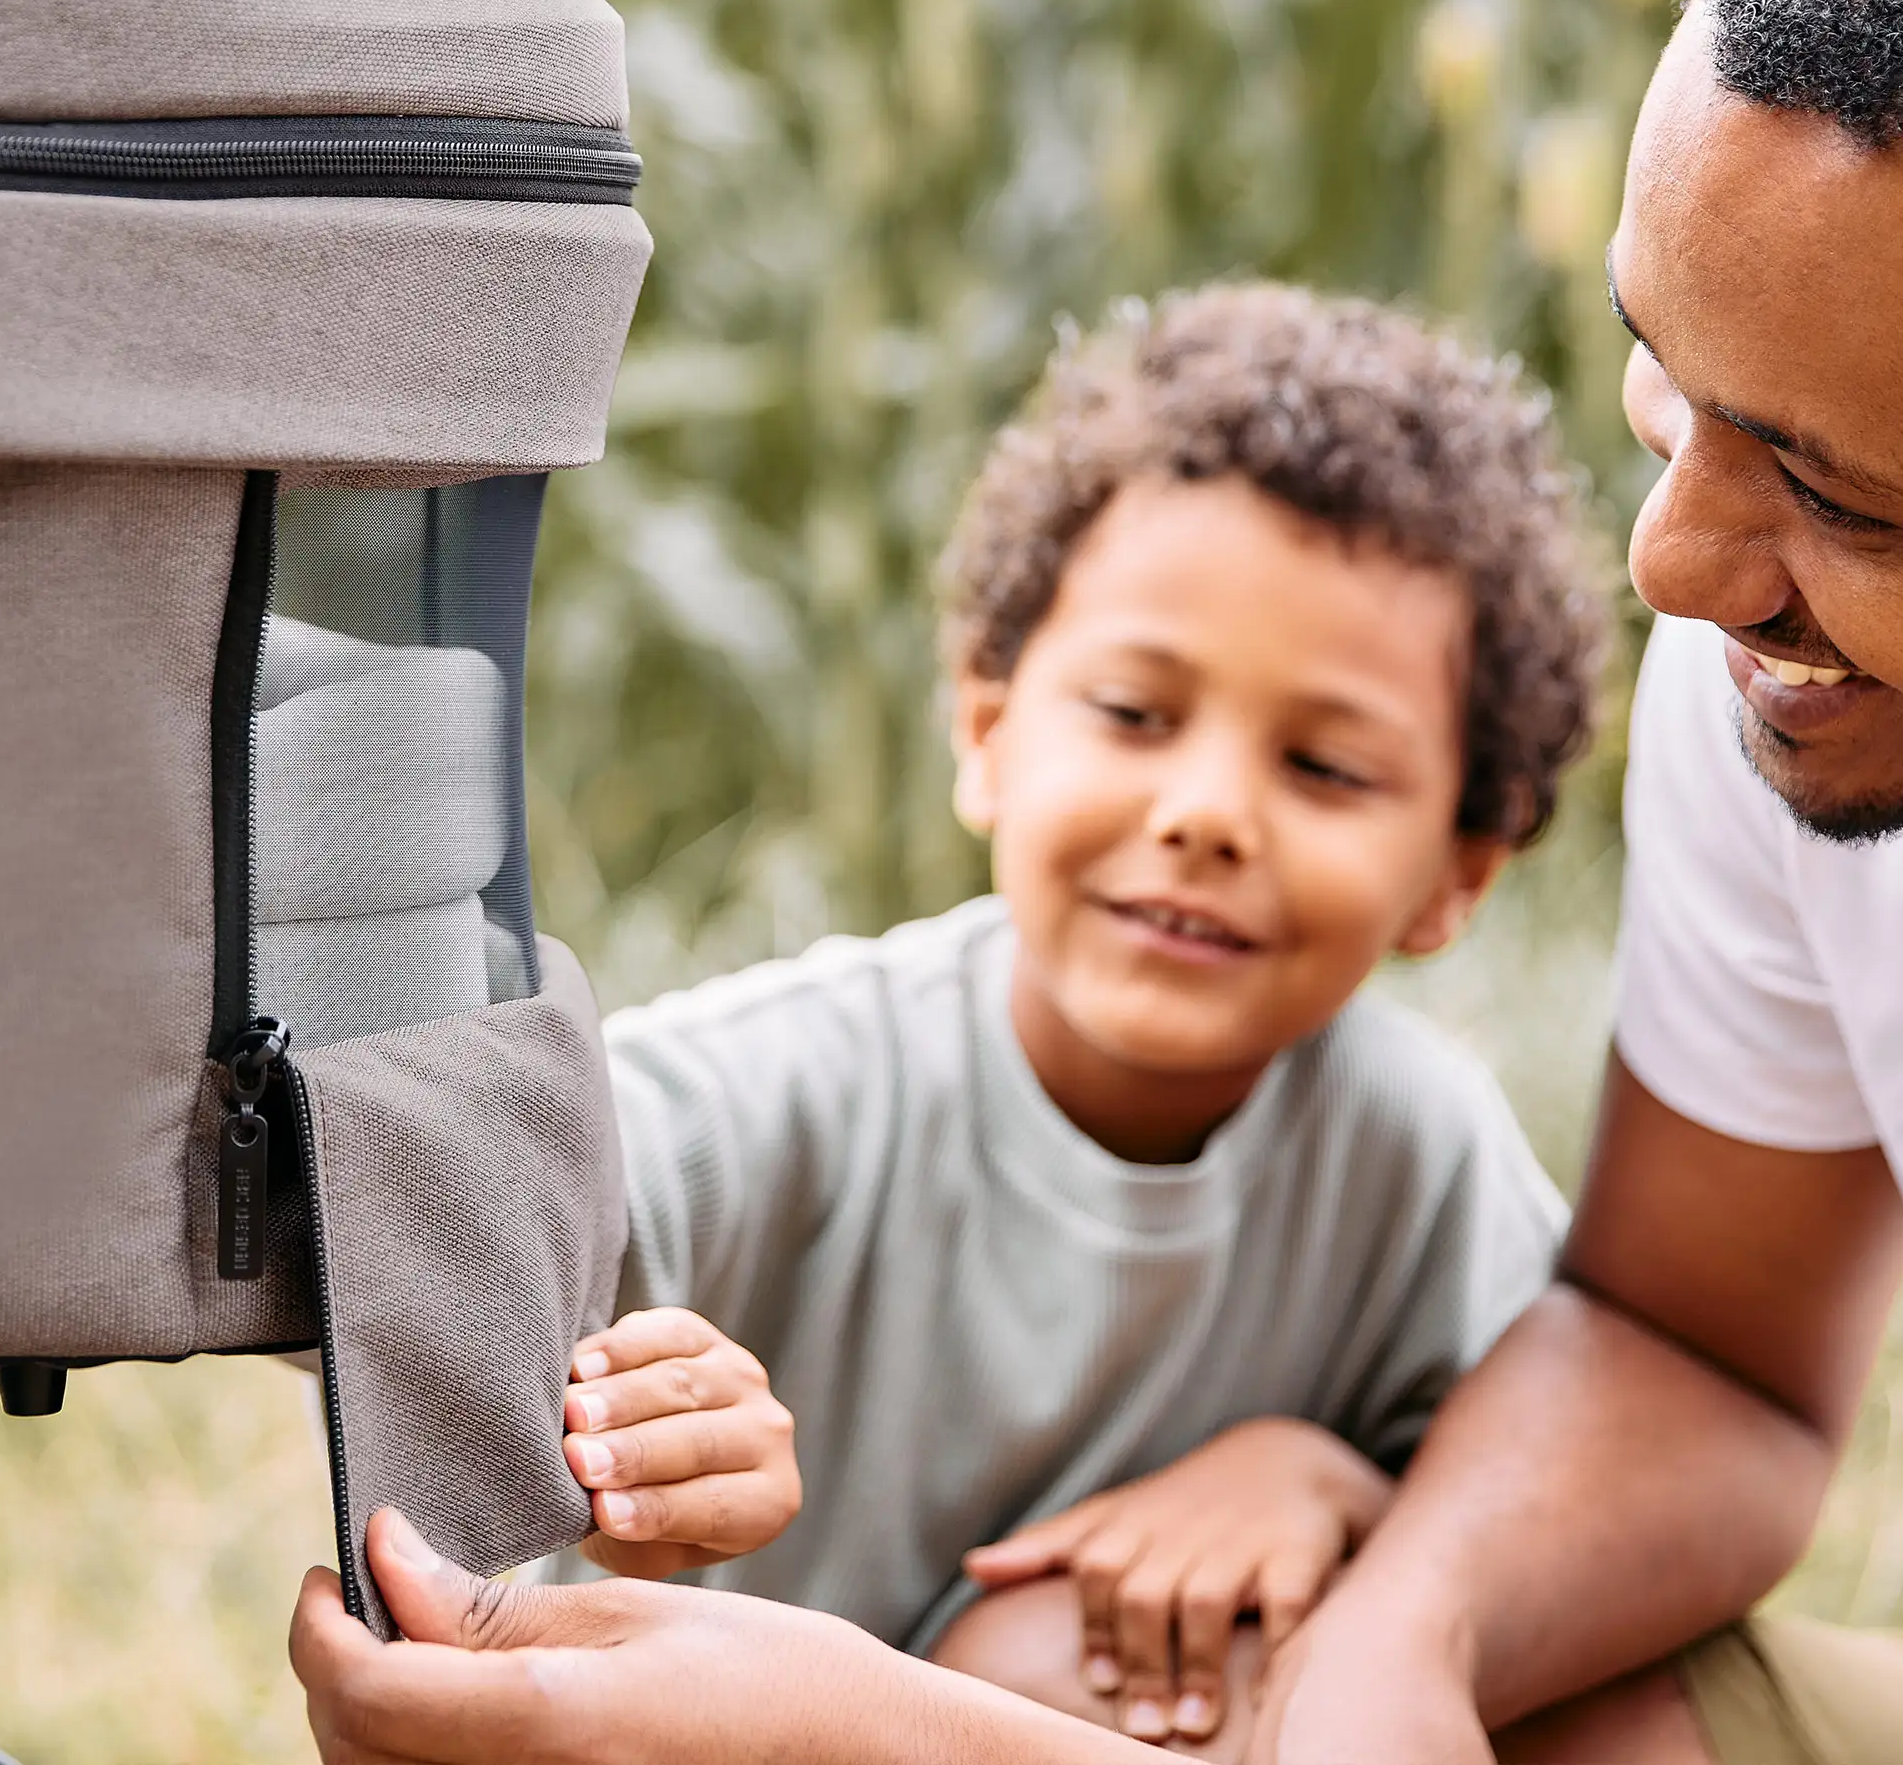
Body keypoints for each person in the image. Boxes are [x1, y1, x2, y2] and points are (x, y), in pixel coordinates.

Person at [291, 0, 1903, 1765]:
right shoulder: (1819, 685)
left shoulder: (1409, 1135)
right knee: (1105, 1649)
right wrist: (1390, 1640)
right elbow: (1697, 1358)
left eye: (1836, 492)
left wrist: (868, 1741)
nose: (1674, 565)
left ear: (1456, 862)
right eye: (1662, 378)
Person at [312, 282, 1603, 1755]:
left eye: (1325, 768)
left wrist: (1327, 1484)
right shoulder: (789, 1086)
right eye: (1134, 714)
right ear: (987, 732)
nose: (1206, 814)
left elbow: (1563, 1476)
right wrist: (621, 1439)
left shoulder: (1419, 1156)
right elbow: (404, 1228)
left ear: (1456, 874)